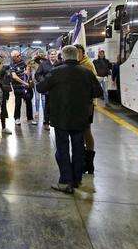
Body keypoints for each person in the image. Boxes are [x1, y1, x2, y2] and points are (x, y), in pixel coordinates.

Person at [37, 45, 103, 193]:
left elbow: (40, 88)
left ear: (64, 57)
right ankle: (77, 179)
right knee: (79, 148)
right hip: (80, 117)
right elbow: (98, 91)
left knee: (62, 149)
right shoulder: (86, 72)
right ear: (76, 56)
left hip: (60, 117)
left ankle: (65, 181)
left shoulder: (56, 72)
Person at [75, 44, 98, 174]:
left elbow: (92, 85)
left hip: (86, 104)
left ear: (83, 53)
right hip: (81, 103)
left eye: (78, 52)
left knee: (86, 131)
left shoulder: (87, 65)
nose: (76, 55)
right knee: (83, 131)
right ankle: (85, 162)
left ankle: (88, 163)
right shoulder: (80, 64)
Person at [10, 50, 35, 125]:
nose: (20, 56)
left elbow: (27, 70)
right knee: (18, 103)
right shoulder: (12, 65)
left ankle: (30, 118)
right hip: (17, 87)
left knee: (29, 102)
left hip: (26, 88)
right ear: (13, 57)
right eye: (17, 56)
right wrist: (24, 83)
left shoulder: (23, 62)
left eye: (20, 55)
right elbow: (14, 76)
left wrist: (28, 71)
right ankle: (17, 118)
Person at [35, 49, 58, 131]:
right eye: (51, 54)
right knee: (47, 106)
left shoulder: (60, 64)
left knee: (57, 106)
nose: (53, 56)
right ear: (48, 56)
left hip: (57, 89)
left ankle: (56, 122)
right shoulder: (43, 64)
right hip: (48, 89)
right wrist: (44, 81)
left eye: (54, 54)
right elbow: (37, 75)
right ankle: (46, 122)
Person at [0, 61, 13, 134]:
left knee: (3, 109)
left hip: (4, 92)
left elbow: (9, 79)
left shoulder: (6, 69)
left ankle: (3, 127)